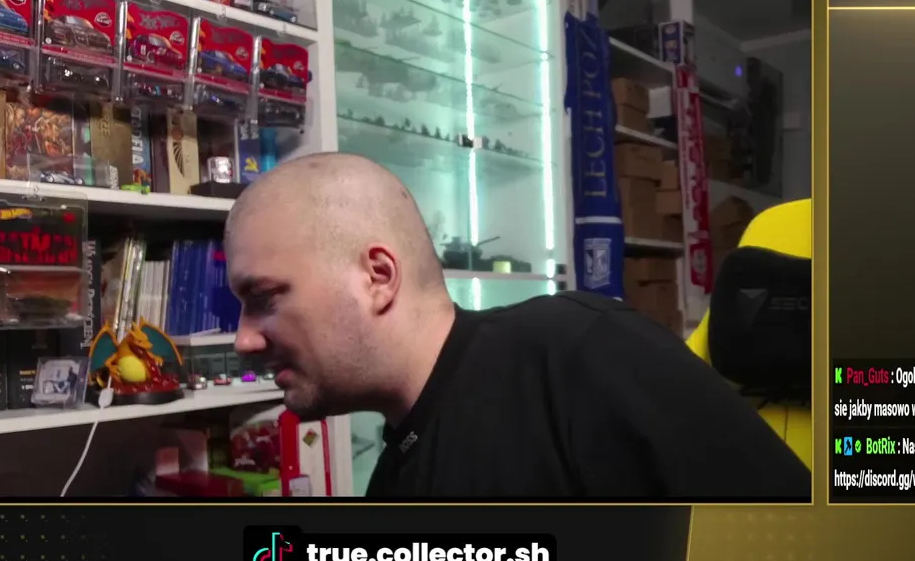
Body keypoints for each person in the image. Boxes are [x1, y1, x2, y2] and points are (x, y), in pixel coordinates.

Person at [224, 153, 810, 500]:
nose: (243, 339)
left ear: (378, 277)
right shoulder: (394, 478)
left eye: (265, 298)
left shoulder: (581, 354)